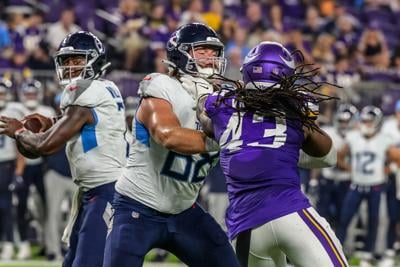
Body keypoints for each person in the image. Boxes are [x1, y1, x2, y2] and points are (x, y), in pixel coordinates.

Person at [197, 41, 348, 267]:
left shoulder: (220, 106)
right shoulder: (297, 107)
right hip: (290, 212)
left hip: (245, 228)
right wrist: (305, 125)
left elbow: (204, 114)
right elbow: (328, 156)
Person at [103, 23, 241, 267]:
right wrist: (225, 136)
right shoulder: (161, 86)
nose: (210, 57)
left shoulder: (222, 100)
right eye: (202, 50)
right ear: (181, 53)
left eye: (214, 51)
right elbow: (169, 136)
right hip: (137, 207)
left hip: (184, 210)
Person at [0, 31, 126, 267]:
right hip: (95, 191)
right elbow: (86, 121)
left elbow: (43, 146)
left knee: (87, 263)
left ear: (95, 60)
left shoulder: (86, 92)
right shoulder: (106, 88)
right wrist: (53, 121)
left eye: (77, 60)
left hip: (107, 190)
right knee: (71, 262)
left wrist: (18, 131)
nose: (71, 67)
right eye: (67, 61)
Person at [337, 106, 400, 267]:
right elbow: (339, 156)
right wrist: (351, 169)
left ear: (377, 122)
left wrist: (387, 170)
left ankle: (368, 254)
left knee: (373, 221)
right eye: (364, 120)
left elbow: (397, 158)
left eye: (369, 120)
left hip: (376, 187)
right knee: (344, 219)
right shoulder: (353, 137)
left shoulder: (384, 139)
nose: (366, 123)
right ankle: (337, 251)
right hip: (356, 185)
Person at [16, 79, 55, 260]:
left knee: (47, 209)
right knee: (21, 207)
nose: (30, 97)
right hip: (22, 166)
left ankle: (48, 243)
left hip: (43, 165)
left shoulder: (46, 112)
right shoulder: (15, 111)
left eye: (33, 94)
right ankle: (24, 244)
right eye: (28, 94)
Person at [317, 104, 358, 228]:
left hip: (347, 180)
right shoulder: (328, 133)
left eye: (347, 121)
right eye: (341, 120)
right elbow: (318, 156)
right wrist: (314, 179)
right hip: (328, 177)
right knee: (322, 214)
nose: (344, 124)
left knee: (343, 216)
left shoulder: (358, 136)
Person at [0, 79, 25, 260]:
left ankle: (8, 244)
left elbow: (20, 145)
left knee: (7, 207)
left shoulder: (13, 111)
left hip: (6, 165)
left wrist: (18, 170)